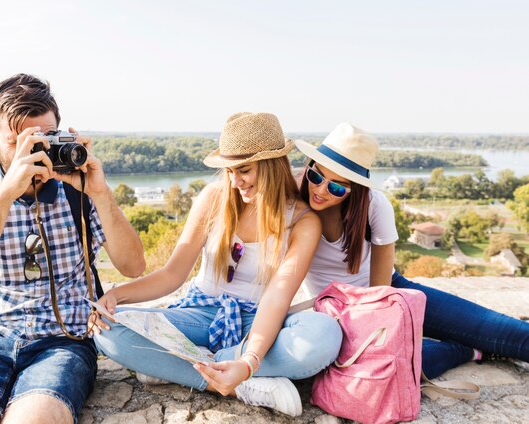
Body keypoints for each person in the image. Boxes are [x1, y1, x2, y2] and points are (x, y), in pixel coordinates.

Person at [0, 73, 145, 424]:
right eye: (20, 144)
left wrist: (100, 194)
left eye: (43, 140)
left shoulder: (79, 192)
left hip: (64, 340)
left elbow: (133, 265)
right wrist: (5, 195)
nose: (35, 156)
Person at [92, 112, 342, 417]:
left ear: (272, 167)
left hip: (258, 321)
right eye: (229, 171)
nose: (235, 181)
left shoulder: (303, 221)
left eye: (244, 170)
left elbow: (278, 296)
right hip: (200, 313)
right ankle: (237, 385)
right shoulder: (214, 198)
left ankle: (195, 365)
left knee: (324, 336)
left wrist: (249, 360)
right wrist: (117, 296)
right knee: (105, 330)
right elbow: (172, 274)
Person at [294, 123, 529, 379]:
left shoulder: (374, 205)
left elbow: (381, 293)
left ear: (355, 189)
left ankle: (475, 342)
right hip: (336, 311)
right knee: (377, 370)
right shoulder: (293, 199)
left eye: (337, 187)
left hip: (387, 295)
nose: (319, 190)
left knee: (503, 332)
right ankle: (465, 350)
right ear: (309, 167)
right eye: (316, 176)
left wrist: (380, 332)